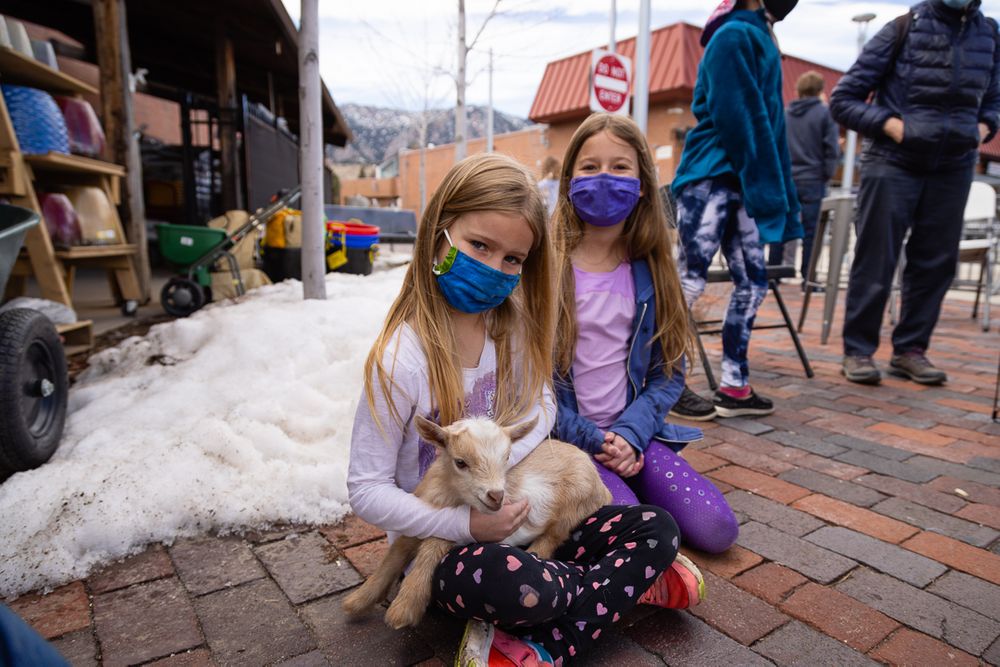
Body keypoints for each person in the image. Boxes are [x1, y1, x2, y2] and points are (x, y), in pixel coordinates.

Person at [347, 153, 705, 666]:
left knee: (657, 527)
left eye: (513, 259)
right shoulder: (400, 360)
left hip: (520, 518)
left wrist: (497, 471)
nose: (494, 268)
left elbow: (542, 406)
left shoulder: (508, 329)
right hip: (441, 547)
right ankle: (614, 589)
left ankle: (554, 628)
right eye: (479, 245)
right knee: (522, 586)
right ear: (438, 234)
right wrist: (466, 526)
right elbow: (366, 488)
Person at [550, 113, 739, 556]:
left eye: (620, 167)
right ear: (569, 180)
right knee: (632, 534)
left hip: (634, 434)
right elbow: (530, 384)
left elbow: (668, 372)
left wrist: (631, 435)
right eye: (590, 166)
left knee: (717, 529)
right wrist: (595, 440)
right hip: (568, 442)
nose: (604, 177)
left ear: (641, 185)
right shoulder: (545, 269)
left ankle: (634, 481)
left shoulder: (652, 269)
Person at [830, 0, 1000, 386]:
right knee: (876, 258)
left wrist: (982, 129)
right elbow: (843, 99)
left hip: (954, 165)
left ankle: (910, 350)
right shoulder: (902, 27)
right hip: (893, 160)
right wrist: (892, 126)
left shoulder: (989, 35)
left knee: (936, 263)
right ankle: (858, 351)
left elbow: (993, 100)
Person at [670, 0, 802, 418]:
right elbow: (738, 116)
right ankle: (662, 384)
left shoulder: (757, 34)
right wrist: (769, 183)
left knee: (753, 283)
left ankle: (734, 385)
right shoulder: (733, 34)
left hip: (743, 177)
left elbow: (765, 122)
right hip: (713, 174)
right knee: (687, 282)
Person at [768, 71, 840, 285]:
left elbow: (775, 146)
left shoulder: (785, 114)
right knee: (812, 232)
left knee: (780, 228)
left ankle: (773, 276)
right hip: (813, 179)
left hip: (786, 179)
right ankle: (808, 280)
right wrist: (826, 174)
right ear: (820, 90)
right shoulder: (825, 114)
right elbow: (832, 149)